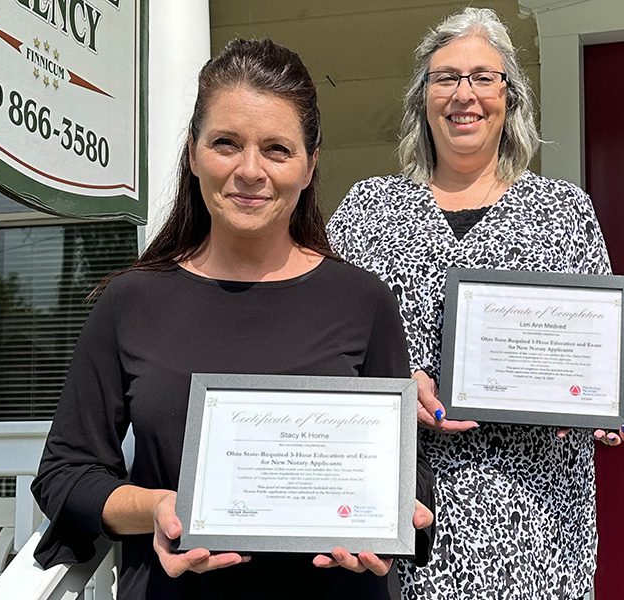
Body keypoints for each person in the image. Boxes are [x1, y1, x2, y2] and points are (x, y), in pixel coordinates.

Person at [31, 38, 434, 600]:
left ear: (309, 165)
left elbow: (409, 479)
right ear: (193, 152)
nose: (250, 171)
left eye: (276, 149)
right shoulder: (131, 302)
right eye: (226, 143)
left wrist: (393, 523)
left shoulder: (364, 303)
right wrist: (157, 508)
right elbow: (65, 474)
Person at [327, 8, 624, 600]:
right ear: (422, 100)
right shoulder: (368, 210)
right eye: (445, 78)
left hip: (539, 517)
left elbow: (613, 352)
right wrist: (397, 386)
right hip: (402, 508)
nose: (463, 95)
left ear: (511, 98)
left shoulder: (563, 212)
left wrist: (621, 392)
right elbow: (323, 349)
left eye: (482, 77)